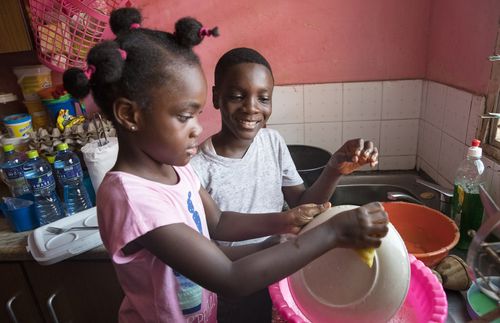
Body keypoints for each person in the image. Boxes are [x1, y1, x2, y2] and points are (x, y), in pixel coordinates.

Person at [63, 8, 389, 323]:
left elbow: (217, 224)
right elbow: (229, 278)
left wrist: (284, 222)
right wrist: (334, 231)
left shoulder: (175, 169)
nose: (196, 127)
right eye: (184, 116)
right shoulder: (134, 199)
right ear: (130, 115)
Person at [190, 47, 380, 322]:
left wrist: (333, 170)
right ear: (217, 97)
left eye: (263, 98)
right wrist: (272, 244)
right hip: (235, 288)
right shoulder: (197, 169)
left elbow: (301, 206)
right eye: (237, 96)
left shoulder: (272, 142)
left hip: (282, 270)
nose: (252, 107)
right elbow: (210, 254)